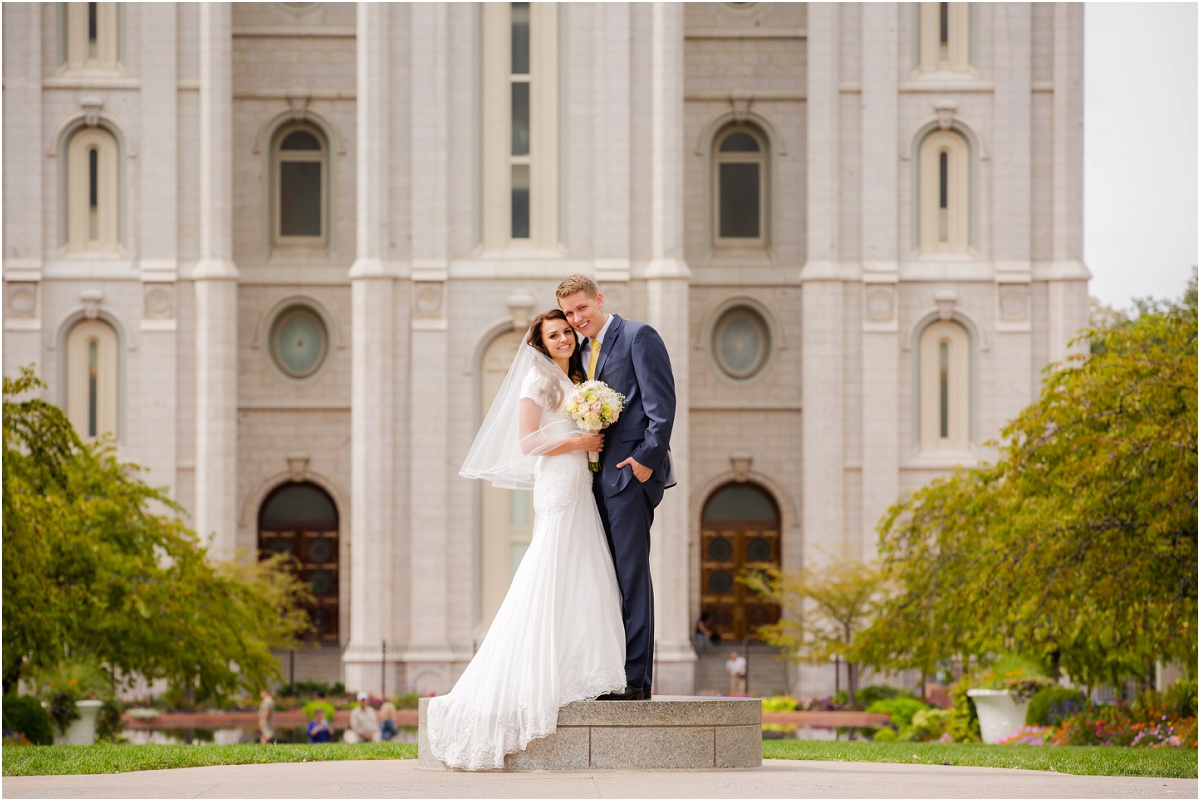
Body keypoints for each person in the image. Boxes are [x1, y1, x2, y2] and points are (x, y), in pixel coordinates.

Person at [428, 309, 627, 770]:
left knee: (583, 566)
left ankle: (584, 667)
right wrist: (580, 443)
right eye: (553, 334)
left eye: (566, 332)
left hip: (580, 481)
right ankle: (534, 673)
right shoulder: (537, 380)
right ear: (539, 342)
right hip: (557, 480)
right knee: (551, 565)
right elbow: (527, 442)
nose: (562, 338)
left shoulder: (576, 375)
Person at [557, 275, 677, 701]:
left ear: (598, 301)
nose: (576, 319)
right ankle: (608, 672)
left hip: (629, 476)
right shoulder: (580, 351)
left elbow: (661, 406)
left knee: (631, 574)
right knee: (603, 578)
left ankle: (637, 679)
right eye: (570, 313)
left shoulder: (638, 336)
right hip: (592, 481)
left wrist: (644, 462)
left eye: (582, 309)